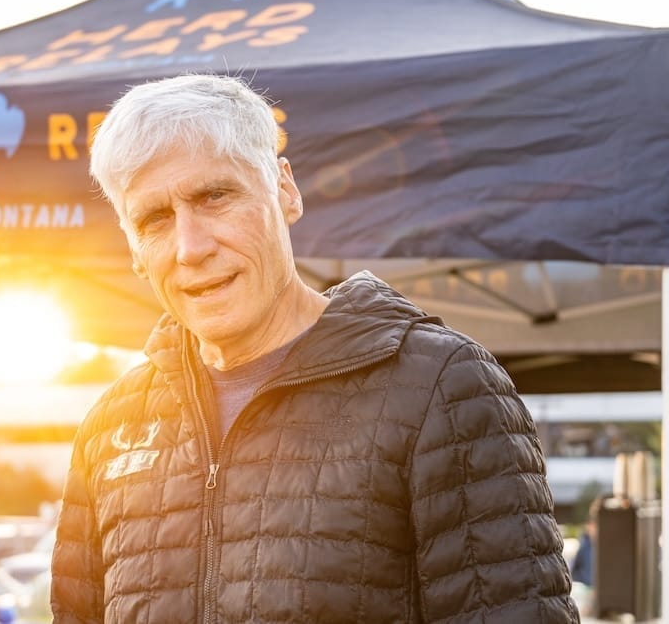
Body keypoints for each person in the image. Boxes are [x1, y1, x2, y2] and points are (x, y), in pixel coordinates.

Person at [51, 74, 579, 623]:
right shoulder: (111, 427)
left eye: (215, 196)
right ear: (134, 249)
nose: (191, 247)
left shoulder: (439, 387)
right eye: (154, 219)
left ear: (285, 190)